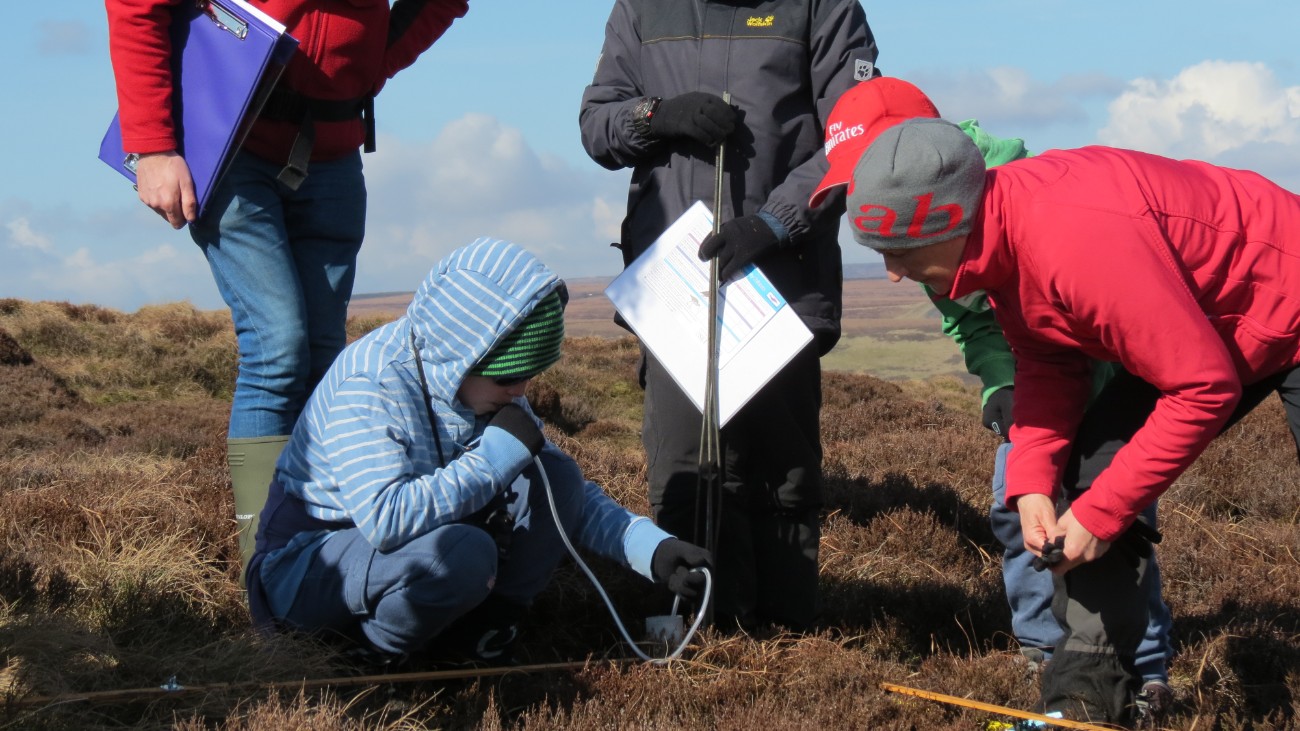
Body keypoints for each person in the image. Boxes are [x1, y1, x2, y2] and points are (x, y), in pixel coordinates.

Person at [841, 117, 1300, 725]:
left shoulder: (1075, 240)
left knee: (1101, 501)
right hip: (1209, 323)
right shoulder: (997, 236)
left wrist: (1102, 515)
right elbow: (1047, 358)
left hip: (1283, 290)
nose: (893, 273)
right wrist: (1032, 480)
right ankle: (1087, 695)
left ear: (951, 222)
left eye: (899, 251)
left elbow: (1201, 388)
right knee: (1091, 468)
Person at [810, 78, 1174, 720]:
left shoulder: (999, 197)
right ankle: (1043, 646)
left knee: (1106, 517)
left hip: (1102, 380)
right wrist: (1000, 380)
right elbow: (970, 319)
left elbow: (1094, 313)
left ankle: (1142, 667)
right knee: (1019, 508)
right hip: (1034, 382)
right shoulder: (914, 222)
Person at [105, 0, 470, 581]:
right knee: (278, 347)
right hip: (231, 142)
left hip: (333, 150)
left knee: (325, 359)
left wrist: (364, 67)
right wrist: (152, 144)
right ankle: (265, 576)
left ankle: (320, 562)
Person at [245, 238, 713, 663]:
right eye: (509, 377)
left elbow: (559, 494)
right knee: (461, 554)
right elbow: (386, 520)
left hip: (401, 559)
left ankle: (478, 639)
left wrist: (651, 549)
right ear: (462, 354)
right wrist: (491, 462)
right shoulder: (370, 385)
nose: (522, 390)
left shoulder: (483, 381)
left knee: (556, 473)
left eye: (529, 374)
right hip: (305, 569)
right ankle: (371, 659)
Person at [578, 0, 880, 632]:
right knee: (686, 467)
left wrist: (773, 224)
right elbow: (596, 125)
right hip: (675, 288)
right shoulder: (640, 8)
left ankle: (786, 637)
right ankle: (699, 629)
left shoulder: (824, 7)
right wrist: (657, 117)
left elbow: (858, 134)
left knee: (781, 472)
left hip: (781, 280)